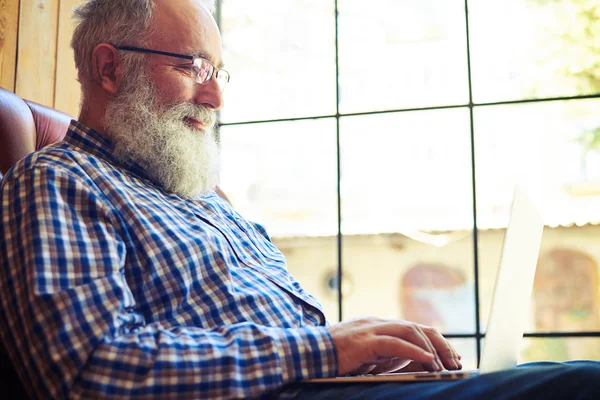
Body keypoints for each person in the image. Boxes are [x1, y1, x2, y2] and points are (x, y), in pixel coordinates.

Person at [0, 0, 597, 399]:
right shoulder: (58, 180)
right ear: (109, 68)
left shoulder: (208, 200)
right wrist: (329, 348)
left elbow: (290, 340)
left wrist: (367, 356)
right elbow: (87, 370)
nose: (216, 98)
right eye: (194, 67)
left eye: (219, 73)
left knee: (569, 376)